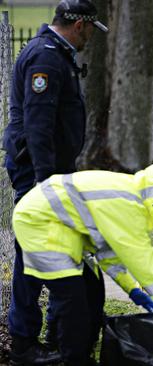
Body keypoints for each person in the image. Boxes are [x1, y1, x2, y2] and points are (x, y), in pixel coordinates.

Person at [11, 155, 153, 365]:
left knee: (93, 291)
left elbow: (107, 251)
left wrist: (131, 289)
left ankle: (77, 351)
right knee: (73, 300)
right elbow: (145, 265)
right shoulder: (128, 205)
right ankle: (74, 359)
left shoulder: (129, 194)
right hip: (40, 224)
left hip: (55, 224)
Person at [1, 1, 108, 363]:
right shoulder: (46, 58)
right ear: (79, 25)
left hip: (50, 173)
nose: (91, 37)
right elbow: (38, 126)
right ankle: (24, 341)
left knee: (52, 251)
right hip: (37, 173)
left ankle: (50, 333)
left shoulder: (55, 53)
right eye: (91, 29)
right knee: (32, 254)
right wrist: (46, 185)